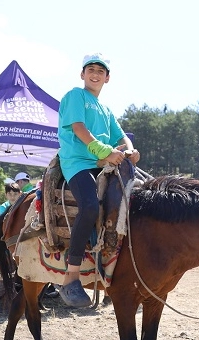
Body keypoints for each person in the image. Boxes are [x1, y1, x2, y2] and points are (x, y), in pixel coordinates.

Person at [57, 53, 140, 307]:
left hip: (101, 165)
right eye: (90, 69)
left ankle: (121, 271)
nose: (95, 74)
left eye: (100, 71)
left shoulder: (106, 109)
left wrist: (130, 148)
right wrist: (106, 152)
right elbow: (80, 129)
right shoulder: (75, 96)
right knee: (91, 206)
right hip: (78, 163)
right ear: (82, 74)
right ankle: (70, 277)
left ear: (107, 78)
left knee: (133, 204)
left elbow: (121, 135)